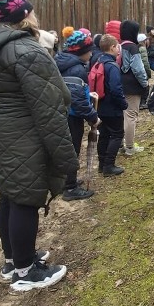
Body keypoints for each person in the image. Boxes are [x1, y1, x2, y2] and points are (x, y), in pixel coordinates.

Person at [0, 0, 77, 291]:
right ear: (24, 15)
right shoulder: (26, 50)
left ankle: (14, 259)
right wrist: (67, 158)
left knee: (10, 194)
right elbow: (51, 105)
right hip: (25, 134)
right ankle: (26, 273)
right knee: (26, 199)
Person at [55, 27, 97, 201]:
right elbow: (78, 101)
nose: (91, 55)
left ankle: (66, 181)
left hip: (60, 114)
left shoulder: (61, 62)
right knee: (73, 149)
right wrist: (93, 117)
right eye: (90, 51)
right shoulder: (77, 69)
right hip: (72, 117)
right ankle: (70, 188)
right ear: (82, 52)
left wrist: (88, 94)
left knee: (65, 149)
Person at [95, 35, 128, 175]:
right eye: (117, 46)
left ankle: (102, 164)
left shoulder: (97, 62)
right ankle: (109, 165)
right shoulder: (112, 66)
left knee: (103, 134)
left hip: (100, 105)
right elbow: (115, 89)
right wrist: (123, 104)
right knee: (117, 134)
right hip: (112, 107)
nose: (118, 49)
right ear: (112, 47)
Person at [118, 20, 148, 154]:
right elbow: (138, 69)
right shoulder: (132, 48)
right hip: (131, 86)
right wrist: (145, 83)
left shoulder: (119, 46)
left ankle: (119, 144)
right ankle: (129, 147)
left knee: (120, 116)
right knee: (131, 115)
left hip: (118, 84)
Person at [137, 33, 152, 109]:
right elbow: (145, 62)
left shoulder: (137, 47)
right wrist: (148, 72)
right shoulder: (143, 48)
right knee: (146, 87)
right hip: (142, 70)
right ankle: (142, 103)